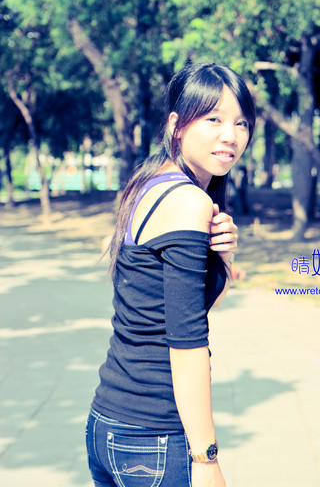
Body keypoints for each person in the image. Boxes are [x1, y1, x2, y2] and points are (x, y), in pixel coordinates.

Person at [86, 62, 256, 487]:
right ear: (176, 126)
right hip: (153, 437)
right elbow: (186, 341)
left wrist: (223, 257)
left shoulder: (149, 182)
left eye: (241, 123)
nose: (230, 135)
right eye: (213, 119)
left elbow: (179, 308)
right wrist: (205, 457)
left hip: (109, 422)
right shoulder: (187, 201)